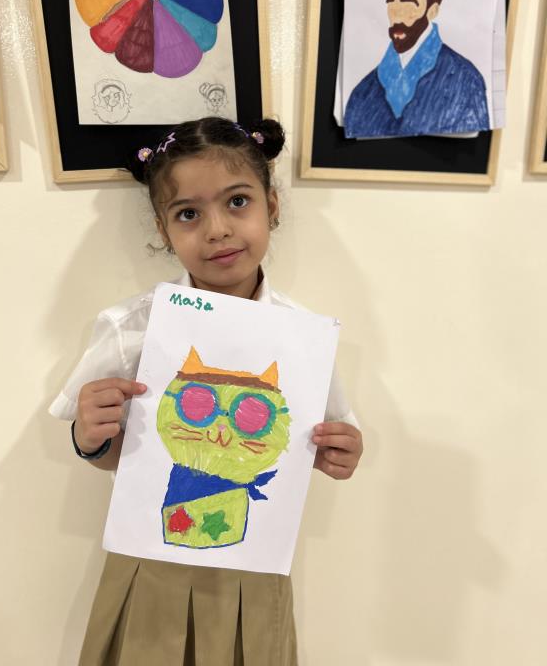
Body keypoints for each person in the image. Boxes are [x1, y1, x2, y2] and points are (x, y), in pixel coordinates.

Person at [49, 117, 363, 666]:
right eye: (188, 214)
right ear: (163, 228)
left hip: (253, 567)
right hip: (151, 563)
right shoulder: (133, 326)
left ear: (271, 205)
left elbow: (330, 438)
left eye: (237, 202)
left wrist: (341, 450)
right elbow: (118, 456)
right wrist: (90, 437)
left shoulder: (303, 340)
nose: (216, 229)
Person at [344, 0, 490, 138]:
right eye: (391, 2)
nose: (396, 13)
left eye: (408, 2)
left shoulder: (465, 79)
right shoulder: (363, 92)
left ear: (432, 11)